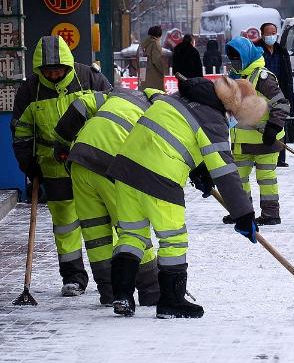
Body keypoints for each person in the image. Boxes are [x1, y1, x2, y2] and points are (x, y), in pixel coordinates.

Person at [107, 76, 267, 318]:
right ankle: (172, 301)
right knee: (173, 239)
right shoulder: (213, 120)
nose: (233, 121)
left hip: (126, 171)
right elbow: (225, 171)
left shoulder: (177, 99)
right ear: (233, 108)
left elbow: (177, 136)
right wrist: (244, 214)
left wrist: (198, 171)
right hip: (160, 179)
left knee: (131, 235)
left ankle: (121, 295)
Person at [11, 35, 112, 296]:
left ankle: (111, 274)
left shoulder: (89, 78)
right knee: (65, 224)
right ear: (39, 70)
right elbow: (21, 132)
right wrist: (28, 164)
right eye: (48, 71)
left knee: (100, 219)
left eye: (58, 69)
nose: (54, 74)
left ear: (68, 64)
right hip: (53, 166)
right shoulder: (29, 90)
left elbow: (114, 112)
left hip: (91, 163)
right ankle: (73, 277)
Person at [53, 88, 159, 306]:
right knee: (133, 230)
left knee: (96, 236)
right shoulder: (158, 114)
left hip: (80, 163)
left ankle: (109, 292)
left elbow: (78, 106)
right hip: (112, 165)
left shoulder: (115, 96)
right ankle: (151, 290)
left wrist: (61, 143)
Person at [224, 36, 290, 226]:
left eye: (236, 58)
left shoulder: (262, 77)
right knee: (238, 178)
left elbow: (281, 104)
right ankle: (242, 213)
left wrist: (274, 127)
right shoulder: (234, 77)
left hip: (265, 139)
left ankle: (270, 214)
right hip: (242, 140)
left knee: (266, 178)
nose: (233, 62)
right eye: (231, 58)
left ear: (245, 56)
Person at [256, 22, 294, 167]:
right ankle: (263, 153)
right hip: (262, 92)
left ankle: (280, 157)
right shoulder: (256, 50)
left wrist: (290, 99)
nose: (271, 36)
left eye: (274, 33)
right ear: (262, 34)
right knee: (264, 123)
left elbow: (288, 76)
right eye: (268, 33)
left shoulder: (281, 51)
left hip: (280, 92)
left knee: (280, 124)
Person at [139, 25, 165, 91]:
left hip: (144, 76)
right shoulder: (155, 44)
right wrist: (163, 70)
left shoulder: (143, 45)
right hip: (154, 77)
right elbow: (157, 61)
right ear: (158, 35)